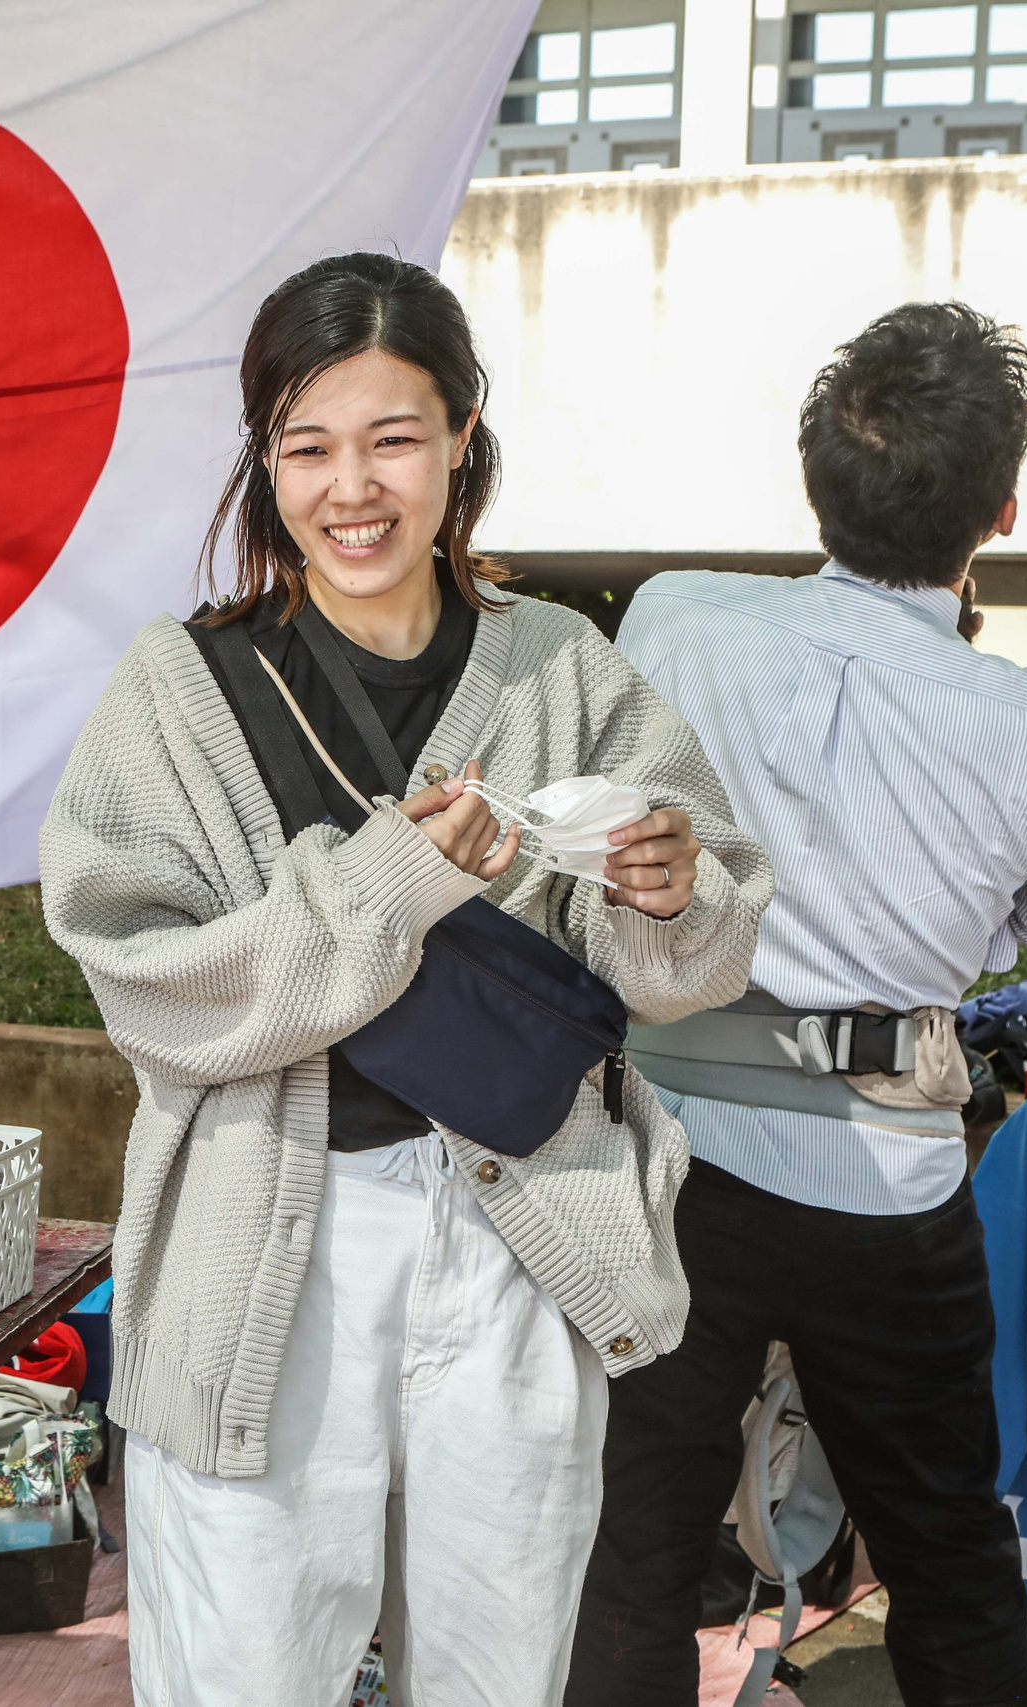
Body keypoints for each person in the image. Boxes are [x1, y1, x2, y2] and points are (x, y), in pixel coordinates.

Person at [38, 252, 773, 1707]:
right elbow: (151, 987)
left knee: (498, 1669)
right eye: (307, 447)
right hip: (268, 1241)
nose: (350, 488)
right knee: (246, 1665)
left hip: (515, 1238)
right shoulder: (177, 692)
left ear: (460, 440)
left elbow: (701, 938)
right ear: (265, 462)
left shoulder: (560, 664)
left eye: (393, 438)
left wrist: (671, 892)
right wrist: (390, 883)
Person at [566, 304, 1027, 1707]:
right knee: (943, 1545)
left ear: (815, 478)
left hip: (679, 1163)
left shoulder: (679, 613)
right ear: (999, 511)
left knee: (631, 1553)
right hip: (888, 1182)